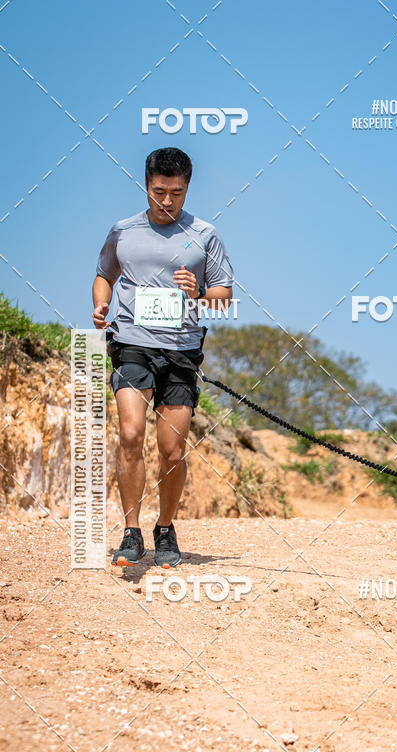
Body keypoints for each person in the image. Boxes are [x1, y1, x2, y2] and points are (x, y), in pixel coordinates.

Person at [92, 147, 234, 568]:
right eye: (158, 191)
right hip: (132, 342)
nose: (167, 200)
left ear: (187, 187)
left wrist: (198, 292)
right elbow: (104, 274)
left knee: (173, 450)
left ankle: (165, 528)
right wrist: (100, 307)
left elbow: (224, 298)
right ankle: (131, 532)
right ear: (146, 184)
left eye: (176, 192)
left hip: (181, 350)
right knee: (131, 433)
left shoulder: (205, 235)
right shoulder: (123, 231)